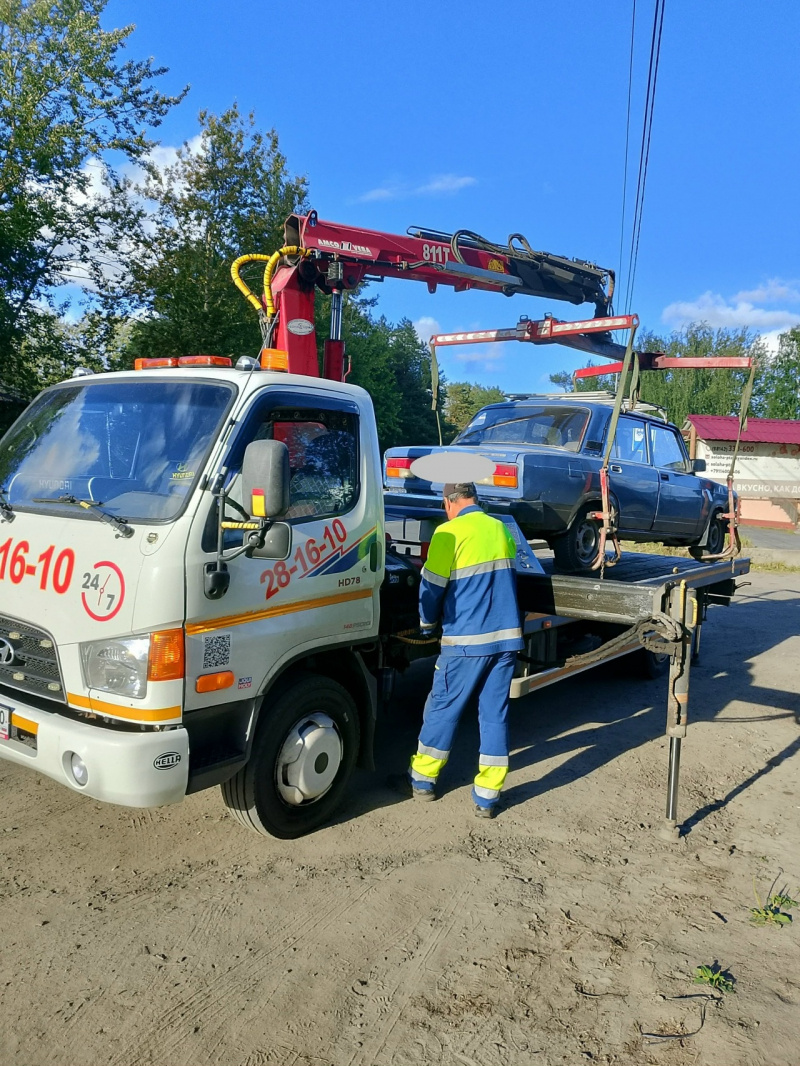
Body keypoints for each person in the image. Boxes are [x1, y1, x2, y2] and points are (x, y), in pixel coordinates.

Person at [395, 482, 523, 818]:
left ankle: (422, 779)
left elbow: (432, 587)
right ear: (475, 500)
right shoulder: (500, 528)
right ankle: (487, 796)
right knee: (494, 714)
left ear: (448, 503)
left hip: (467, 641)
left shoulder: (447, 533)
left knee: (443, 709)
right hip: (506, 639)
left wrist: (425, 623)